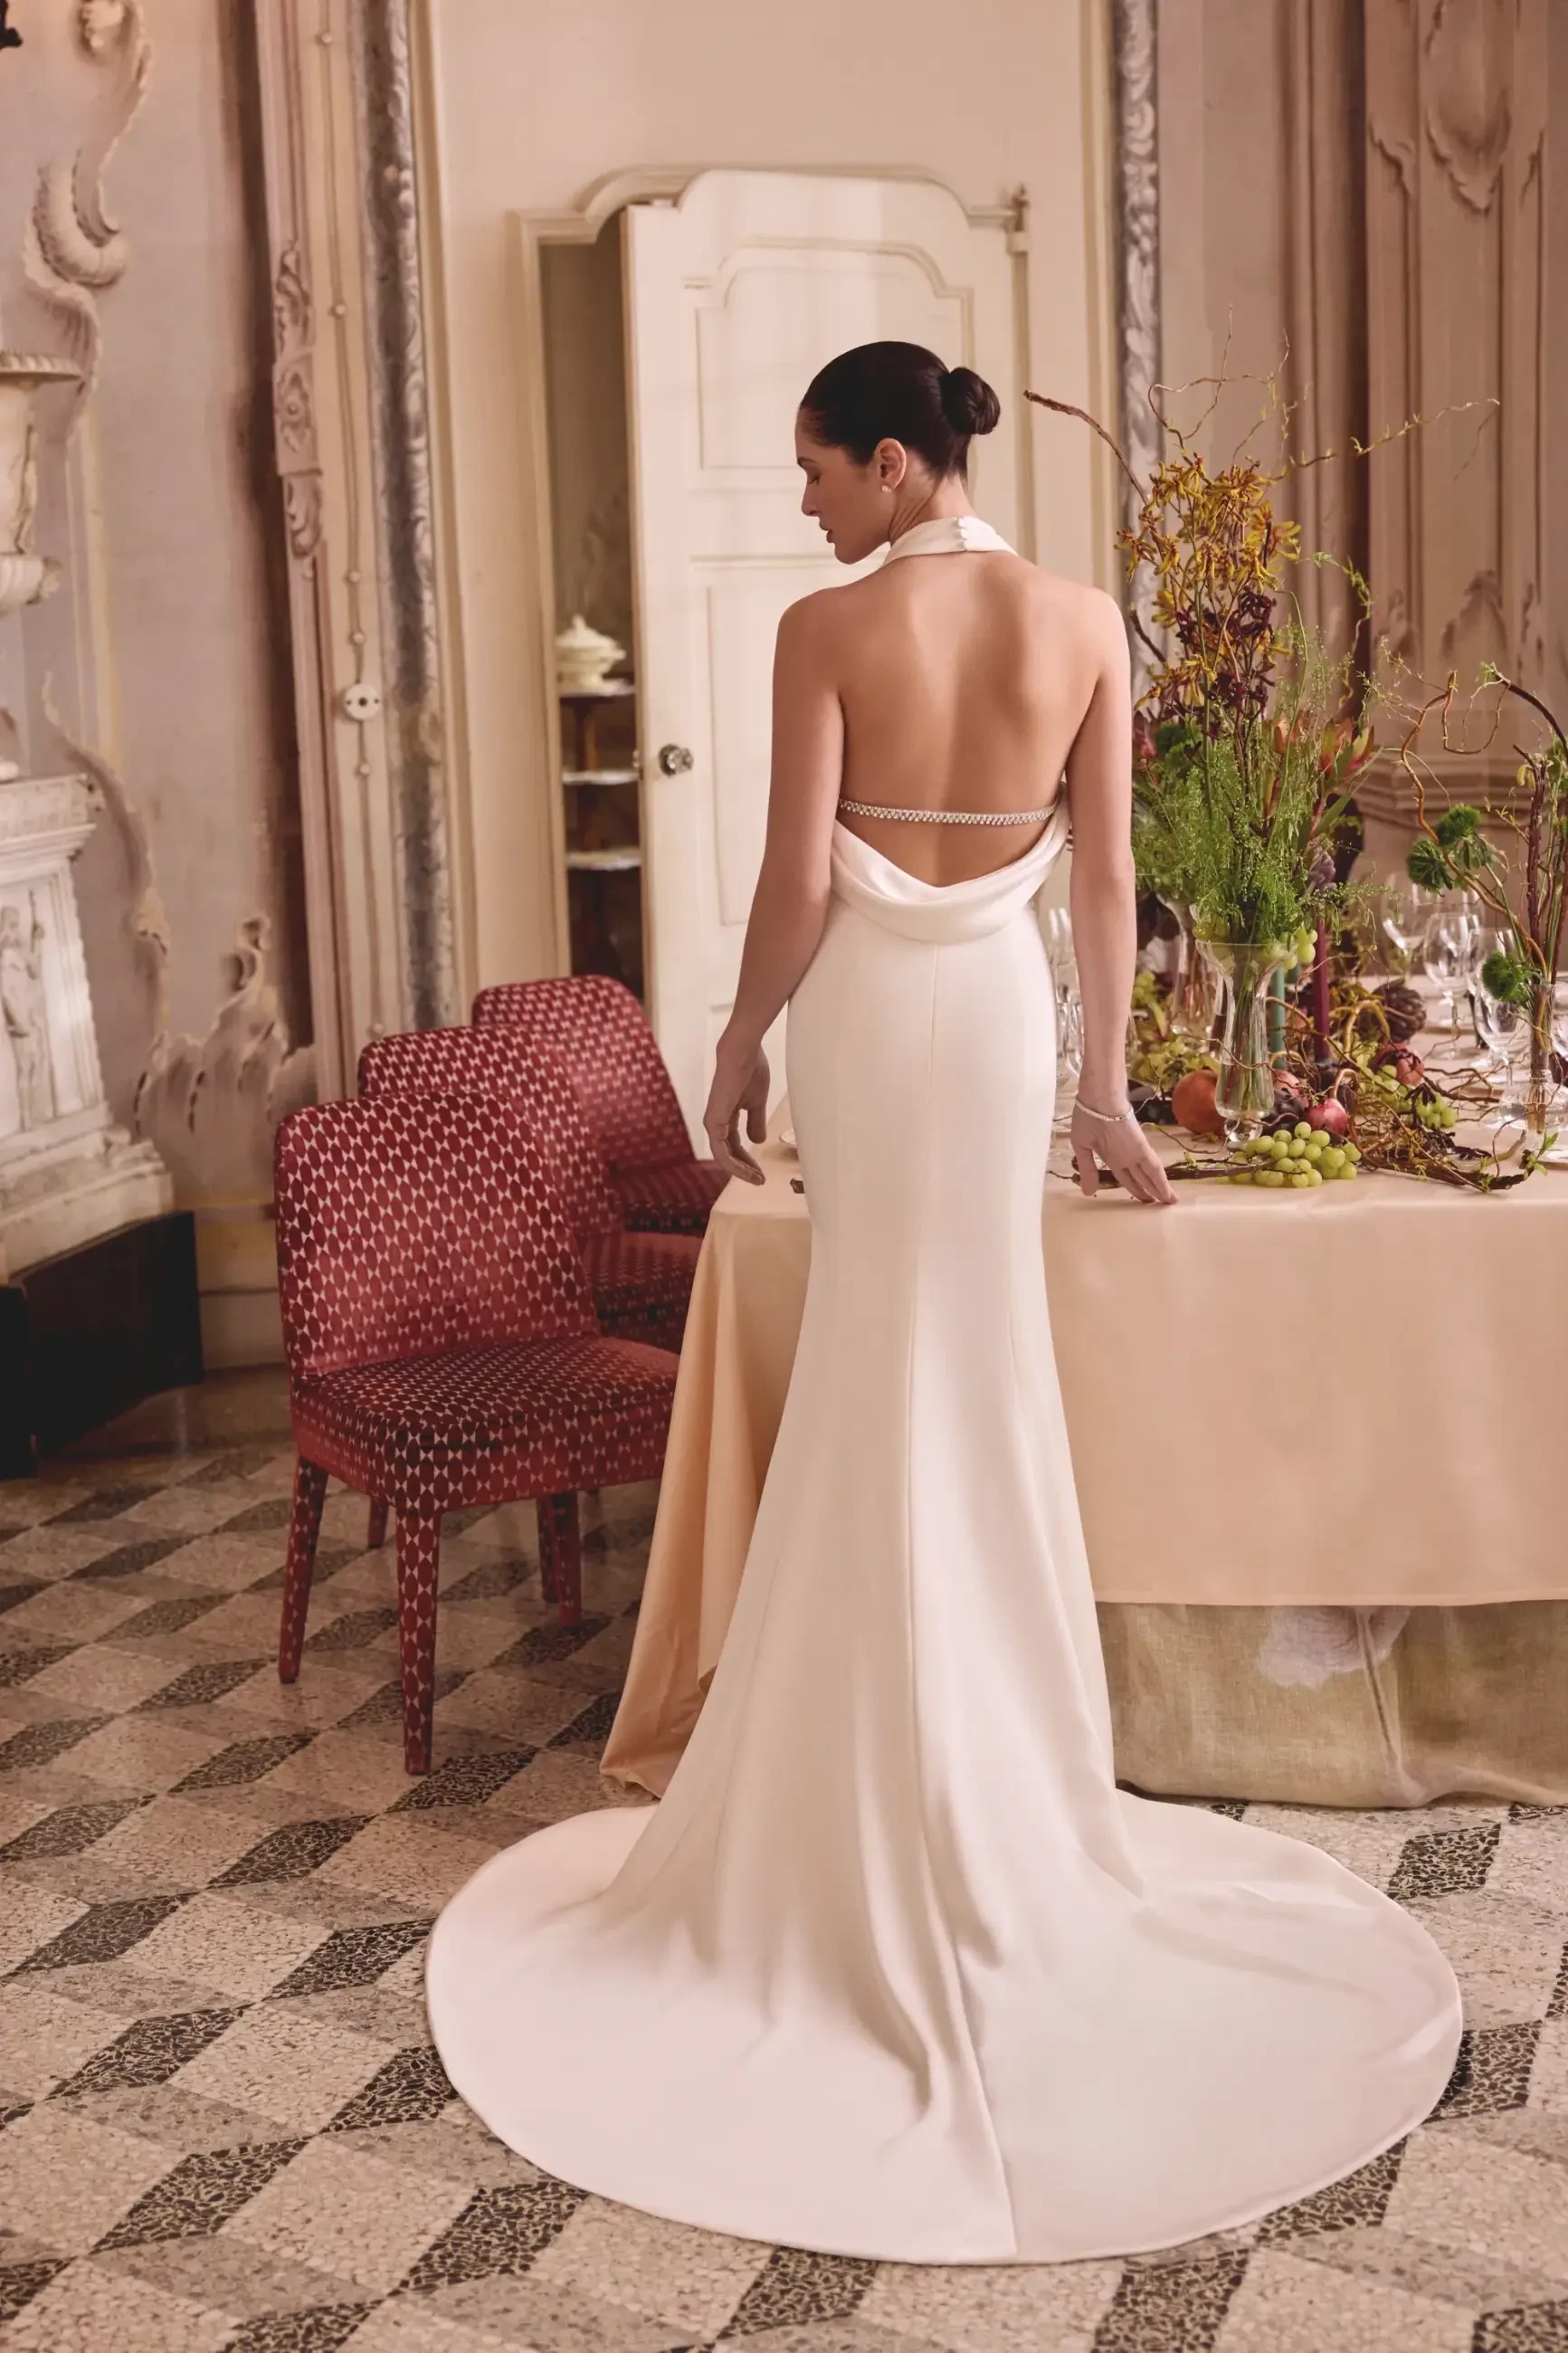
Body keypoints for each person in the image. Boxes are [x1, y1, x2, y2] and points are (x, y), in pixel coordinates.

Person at [427, 341, 1461, 2264]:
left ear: (898, 466)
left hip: (876, 1030)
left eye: (816, 467)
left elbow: (790, 884)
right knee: (962, 1374)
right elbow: (1109, 884)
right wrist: (1095, 1086)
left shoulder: (827, 636)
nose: (804, 502)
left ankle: (868, 1782)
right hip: (989, 1029)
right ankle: (988, 1790)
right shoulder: (1079, 622)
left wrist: (734, 1042)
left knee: (886, 1369)